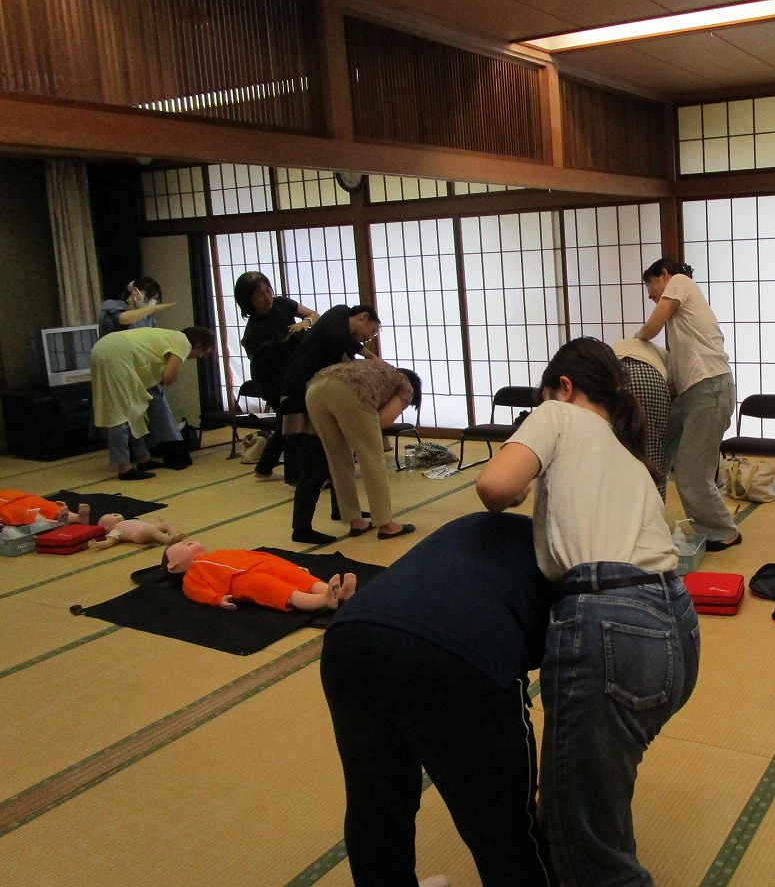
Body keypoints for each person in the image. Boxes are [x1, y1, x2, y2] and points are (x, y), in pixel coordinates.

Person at [476, 336, 699, 887]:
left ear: (565, 388)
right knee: (576, 802)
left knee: (593, 862)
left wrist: (525, 470)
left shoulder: (555, 414)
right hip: (677, 623)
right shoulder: (631, 458)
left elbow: (494, 486)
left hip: (609, 625)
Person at [321, 511, 557, 887]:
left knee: (377, 806)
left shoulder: (488, 525)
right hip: (457, 655)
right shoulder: (572, 565)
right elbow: (568, 702)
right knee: (504, 827)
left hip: (350, 637)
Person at [635, 258, 740, 551]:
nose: (650, 295)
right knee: (656, 449)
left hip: (710, 389)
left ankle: (724, 531)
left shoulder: (680, 281)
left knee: (691, 472)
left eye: (650, 285)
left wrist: (633, 343)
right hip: (693, 392)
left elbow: (651, 327)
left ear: (664, 275)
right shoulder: (684, 310)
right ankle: (646, 516)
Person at [278, 304, 381, 544]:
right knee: (315, 466)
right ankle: (301, 529)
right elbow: (341, 336)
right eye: (370, 332)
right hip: (297, 398)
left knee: (338, 455)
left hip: (316, 399)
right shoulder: (338, 315)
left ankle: (343, 511)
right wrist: (374, 359)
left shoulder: (340, 340)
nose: (367, 339)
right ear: (363, 316)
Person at [305, 358, 419, 540]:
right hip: (349, 389)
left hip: (314, 389)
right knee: (371, 457)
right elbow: (383, 421)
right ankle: (386, 524)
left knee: (337, 458)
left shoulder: (377, 370)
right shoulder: (405, 385)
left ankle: (355, 521)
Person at [90, 326, 215, 480]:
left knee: (136, 410)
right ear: (199, 345)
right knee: (120, 413)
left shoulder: (171, 336)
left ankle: (143, 458)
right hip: (116, 352)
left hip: (113, 349)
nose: (200, 356)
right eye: (203, 352)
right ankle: (124, 468)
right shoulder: (183, 342)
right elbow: (169, 378)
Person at [233, 271, 320, 483]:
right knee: (291, 422)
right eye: (259, 294)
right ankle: (294, 477)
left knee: (285, 424)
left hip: (294, 372)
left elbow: (315, 314)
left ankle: (264, 470)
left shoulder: (281, 303)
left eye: (268, 290)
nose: (267, 296)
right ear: (248, 301)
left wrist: (306, 323)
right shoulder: (253, 333)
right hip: (272, 379)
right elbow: (267, 364)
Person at [99, 277, 190, 469]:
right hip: (115, 363)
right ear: (135, 292)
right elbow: (122, 320)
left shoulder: (149, 319)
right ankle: (123, 463)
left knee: (146, 409)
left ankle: (149, 455)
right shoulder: (112, 306)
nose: (152, 303)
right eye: (150, 298)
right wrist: (153, 308)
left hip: (140, 368)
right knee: (121, 414)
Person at [162, 539, 357, 611]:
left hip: (262, 562)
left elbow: (248, 553)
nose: (186, 541)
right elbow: (197, 592)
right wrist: (217, 599)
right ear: (173, 565)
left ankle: (339, 594)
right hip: (243, 580)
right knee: (283, 591)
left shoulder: (216, 553)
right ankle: (323, 601)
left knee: (302, 578)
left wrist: (289, 564)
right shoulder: (191, 575)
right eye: (182, 546)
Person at [611, 337, 672, 499]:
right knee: (653, 449)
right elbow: (675, 388)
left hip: (613, 377)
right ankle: (653, 509)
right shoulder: (665, 356)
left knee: (617, 449)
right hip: (649, 379)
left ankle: (622, 506)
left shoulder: (619, 345)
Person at [86, 513, 184, 550]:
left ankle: (173, 534)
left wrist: (157, 523)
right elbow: (109, 542)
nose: (113, 513)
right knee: (150, 530)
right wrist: (98, 544)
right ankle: (168, 540)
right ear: (106, 527)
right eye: (109, 515)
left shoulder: (127, 521)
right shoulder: (116, 530)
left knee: (165, 524)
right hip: (140, 534)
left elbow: (142, 524)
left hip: (148, 528)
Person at [0, 491, 90, 527]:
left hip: (13, 496)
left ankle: (78, 518)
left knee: (45, 505)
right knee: (19, 512)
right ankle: (54, 523)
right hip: (3, 506)